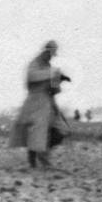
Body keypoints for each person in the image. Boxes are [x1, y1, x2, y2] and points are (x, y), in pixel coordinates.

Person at [8, 40, 70, 169]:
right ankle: (33, 162)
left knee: (62, 130)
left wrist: (59, 80)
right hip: (34, 102)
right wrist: (54, 74)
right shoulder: (34, 64)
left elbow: (54, 90)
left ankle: (42, 153)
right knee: (35, 132)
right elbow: (31, 77)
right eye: (49, 52)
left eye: (52, 53)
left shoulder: (50, 67)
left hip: (48, 102)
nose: (50, 55)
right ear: (45, 51)